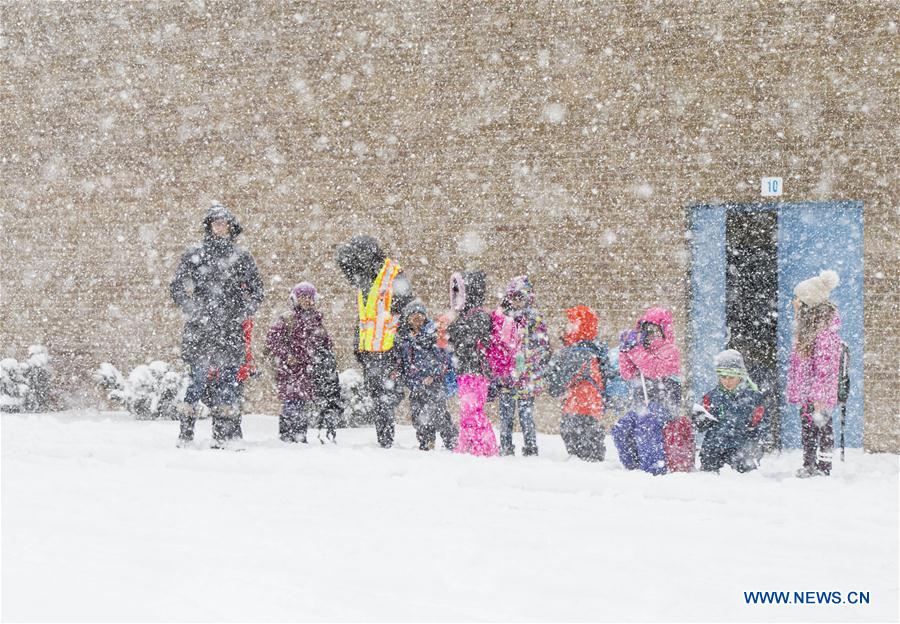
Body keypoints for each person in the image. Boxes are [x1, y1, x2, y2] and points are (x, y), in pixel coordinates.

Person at [169, 203, 264, 448]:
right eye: (216, 223)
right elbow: (177, 287)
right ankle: (186, 435)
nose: (220, 227)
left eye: (224, 223)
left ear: (230, 228)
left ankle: (223, 435)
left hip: (229, 330)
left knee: (228, 384)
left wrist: (242, 312)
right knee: (197, 381)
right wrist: (193, 310)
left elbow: (257, 291)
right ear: (209, 227)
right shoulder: (195, 254)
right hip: (200, 330)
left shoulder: (241, 257)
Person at [335, 236, 413, 448]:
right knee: (378, 394)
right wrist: (358, 345)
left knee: (386, 396)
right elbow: (364, 317)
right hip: (371, 350)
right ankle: (384, 439)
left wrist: (400, 344)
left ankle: (386, 441)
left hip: (388, 348)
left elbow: (407, 311)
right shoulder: (366, 280)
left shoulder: (393, 275)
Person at [610, 307, 687, 474]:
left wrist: (634, 350)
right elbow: (627, 373)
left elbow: (654, 369)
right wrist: (624, 350)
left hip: (665, 405)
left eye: (654, 330)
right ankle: (633, 467)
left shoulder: (670, 351)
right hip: (642, 406)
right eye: (645, 330)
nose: (650, 334)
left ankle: (653, 470)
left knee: (647, 425)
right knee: (621, 427)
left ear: (664, 330)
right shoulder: (641, 350)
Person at [264, 282, 342, 444]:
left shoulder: (316, 321)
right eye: (302, 297)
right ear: (295, 299)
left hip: (308, 371)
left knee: (301, 404)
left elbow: (325, 344)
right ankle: (289, 436)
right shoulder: (287, 319)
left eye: (309, 297)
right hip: (290, 370)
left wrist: (325, 359)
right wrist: (287, 356)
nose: (306, 300)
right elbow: (272, 342)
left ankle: (299, 436)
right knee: (292, 403)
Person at [787, 270, 842, 478]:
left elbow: (825, 367)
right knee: (808, 427)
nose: (796, 302)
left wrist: (819, 395)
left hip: (818, 391)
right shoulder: (807, 326)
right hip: (807, 389)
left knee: (823, 427)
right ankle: (809, 464)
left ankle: (824, 467)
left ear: (810, 303)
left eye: (800, 299)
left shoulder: (824, 330)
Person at [487, 276, 551, 456]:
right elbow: (496, 345)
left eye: (520, 297)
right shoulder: (501, 318)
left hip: (526, 377)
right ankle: (506, 447)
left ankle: (530, 448)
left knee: (526, 416)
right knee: (506, 416)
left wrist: (534, 363)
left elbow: (543, 346)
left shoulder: (534, 320)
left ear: (528, 298)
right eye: (513, 297)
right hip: (506, 376)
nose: (516, 301)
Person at [545, 306, 613, 462]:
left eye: (571, 323)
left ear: (580, 326)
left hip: (578, 408)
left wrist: (548, 365)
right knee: (591, 450)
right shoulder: (592, 349)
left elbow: (557, 384)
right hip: (592, 407)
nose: (567, 326)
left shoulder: (577, 353)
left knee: (581, 454)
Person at [446, 270, 499, 457]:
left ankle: (485, 448)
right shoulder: (468, 315)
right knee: (467, 410)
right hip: (466, 370)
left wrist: (452, 325)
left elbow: (467, 338)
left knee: (473, 410)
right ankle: (467, 444)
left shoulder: (479, 315)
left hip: (476, 371)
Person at [398, 300, 457, 451]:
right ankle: (426, 442)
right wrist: (410, 380)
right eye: (413, 315)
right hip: (416, 384)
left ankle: (452, 441)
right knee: (419, 416)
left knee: (439, 414)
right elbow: (404, 363)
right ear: (408, 318)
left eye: (420, 315)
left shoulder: (433, 334)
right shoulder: (405, 338)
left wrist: (433, 375)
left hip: (434, 383)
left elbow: (444, 360)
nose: (417, 318)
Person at [694, 349, 765, 473]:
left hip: (741, 448)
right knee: (708, 479)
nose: (727, 381)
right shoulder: (710, 398)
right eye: (723, 377)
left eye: (731, 377)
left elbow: (763, 423)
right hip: (713, 448)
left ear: (740, 376)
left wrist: (754, 428)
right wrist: (699, 420)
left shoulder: (753, 398)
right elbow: (699, 425)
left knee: (745, 478)